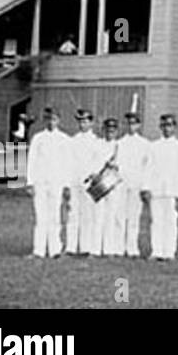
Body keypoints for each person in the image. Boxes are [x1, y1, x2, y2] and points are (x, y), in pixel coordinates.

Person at [26, 107, 72, 258]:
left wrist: (67, 184)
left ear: (59, 120)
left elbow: (68, 163)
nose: (51, 123)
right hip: (41, 182)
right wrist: (30, 182)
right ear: (45, 121)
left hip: (57, 182)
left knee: (55, 216)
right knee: (41, 217)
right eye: (48, 119)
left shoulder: (64, 139)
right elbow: (31, 161)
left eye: (54, 119)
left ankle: (55, 250)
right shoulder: (38, 138)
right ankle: (38, 250)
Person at [66, 109, 109, 256]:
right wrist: (69, 181)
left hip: (90, 183)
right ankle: (71, 248)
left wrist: (94, 175)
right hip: (75, 181)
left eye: (85, 121)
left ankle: (90, 248)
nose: (82, 124)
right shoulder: (73, 140)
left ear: (91, 123)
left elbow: (99, 162)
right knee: (74, 214)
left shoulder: (96, 141)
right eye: (80, 121)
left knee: (90, 215)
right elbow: (69, 161)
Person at [146, 114, 178, 261]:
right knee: (157, 220)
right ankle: (157, 251)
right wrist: (146, 187)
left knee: (171, 221)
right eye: (164, 125)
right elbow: (148, 167)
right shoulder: (154, 146)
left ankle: (169, 251)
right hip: (157, 189)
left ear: (174, 127)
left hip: (173, 190)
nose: (167, 128)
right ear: (160, 127)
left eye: (170, 125)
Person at [96, 118, 124, 256]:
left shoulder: (120, 146)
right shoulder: (98, 144)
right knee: (98, 216)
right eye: (107, 130)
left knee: (111, 216)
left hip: (113, 182)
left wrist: (115, 165)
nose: (110, 133)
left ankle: (109, 249)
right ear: (103, 130)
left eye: (112, 131)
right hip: (100, 181)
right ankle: (95, 249)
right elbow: (93, 161)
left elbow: (124, 166)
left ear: (117, 131)